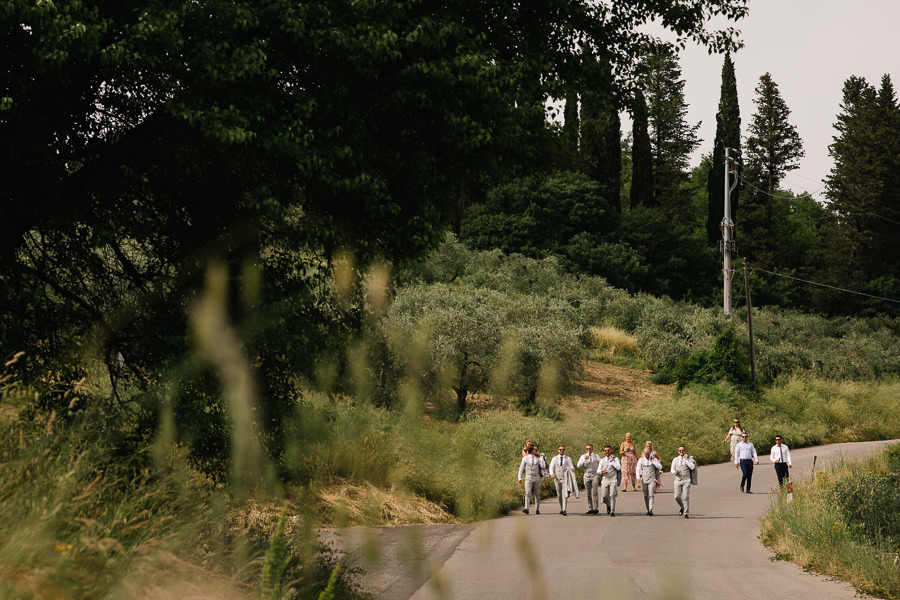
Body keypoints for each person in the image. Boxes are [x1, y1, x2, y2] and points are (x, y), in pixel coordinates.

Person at [517, 443, 547, 514]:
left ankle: (537, 508)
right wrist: (519, 477)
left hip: (536, 478)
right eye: (535, 449)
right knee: (527, 492)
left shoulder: (538, 458)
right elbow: (521, 468)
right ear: (532, 450)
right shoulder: (525, 458)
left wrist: (542, 459)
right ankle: (526, 508)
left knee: (536, 493)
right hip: (528, 477)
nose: (536, 451)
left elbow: (543, 466)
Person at [670, 445, 696, 519]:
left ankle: (686, 513)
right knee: (676, 497)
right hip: (678, 480)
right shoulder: (675, 459)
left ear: (685, 451)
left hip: (686, 480)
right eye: (680, 451)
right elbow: (672, 469)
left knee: (685, 497)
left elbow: (692, 467)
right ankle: (682, 507)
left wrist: (686, 460)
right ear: (678, 451)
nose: (681, 452)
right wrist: (674, 471)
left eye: (682, 450)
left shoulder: (689, 459)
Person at [636, 446, 662, 516]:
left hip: (652, 479)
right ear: (644, 454)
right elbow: (638, 469)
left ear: (650, 453)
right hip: (644, 479)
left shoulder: (654, 459)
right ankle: (647, 508)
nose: (647, 455)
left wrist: (653, 461)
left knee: (651, 494)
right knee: (645, 495)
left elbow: (660, 467)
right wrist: (638, 478)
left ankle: (651, 509)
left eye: (648, 454)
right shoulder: (641, 460)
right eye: (646, 454)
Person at [549, 445, 574, 516]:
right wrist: (551, 473)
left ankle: (564, 509)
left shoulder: (568, 458)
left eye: (563, 449)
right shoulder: (554, 458)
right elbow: (551, 467)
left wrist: (569, 468)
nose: (561, 451)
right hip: (557, 478)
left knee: (564, 494)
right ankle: (561, 507)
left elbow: (572, 467)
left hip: (565, 478)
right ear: (558, 450)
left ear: (564, 450)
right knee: (559, 495)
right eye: (560, 449)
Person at [577, 444, 602, 514]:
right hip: (586, 474)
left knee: (595, 492)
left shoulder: (596, 456)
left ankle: (596, 508)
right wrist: (584, 459)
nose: (588, 450)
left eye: (590, 449)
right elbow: (578, 465)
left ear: (592, 449)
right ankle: (590, 507)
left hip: (594, 474)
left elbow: (601, 462)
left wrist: (600, 470)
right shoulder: (583, 456)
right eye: (587, 449)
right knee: (588, 492)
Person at [599, 445, 621, 516]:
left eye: (608, 450)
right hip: (605, 479)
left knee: (612, 495)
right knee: (604, 496)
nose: (607, 452)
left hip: (613, 479)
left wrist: (612, 462)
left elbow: (618, 467)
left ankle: (612, 511)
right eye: (605, 450)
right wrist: (601, 471)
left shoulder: (615, 459)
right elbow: (598, 470)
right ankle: (608, 505)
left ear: (610, 451)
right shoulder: (602, 460)